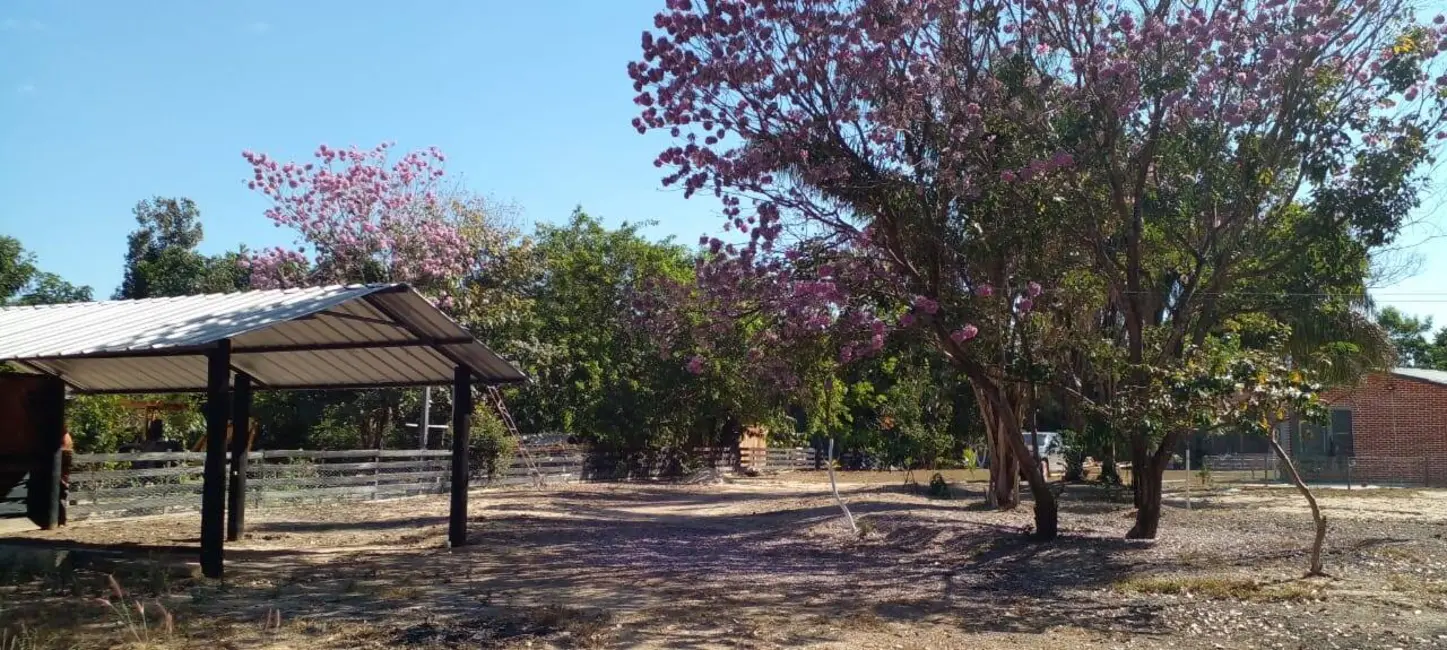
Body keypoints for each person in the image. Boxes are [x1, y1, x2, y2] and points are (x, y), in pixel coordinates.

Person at [58, 428, 73, 526]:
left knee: (61, 489)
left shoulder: (61, 432)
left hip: (62, 452)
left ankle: (62, 519)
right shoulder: (65, 434)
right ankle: (62, 519)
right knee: (63, 489)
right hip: (66, 451)